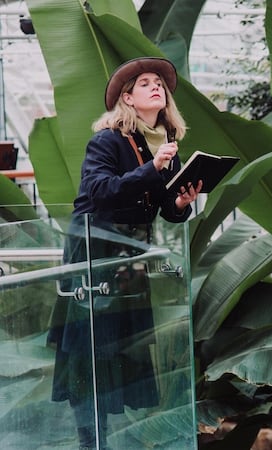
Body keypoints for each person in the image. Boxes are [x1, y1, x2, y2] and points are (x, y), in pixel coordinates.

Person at [46, 57, 202, 450]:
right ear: (128, 99)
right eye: (145, 83)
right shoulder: (107, 140)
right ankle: (88, 440)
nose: (157, 87)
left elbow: (164, 208)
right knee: (88, 350)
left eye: (159, 84)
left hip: (130, 258)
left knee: (122, 348)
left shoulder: (167, 146)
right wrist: (153, 168)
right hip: (93, 254)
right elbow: (99, 191)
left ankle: (107, 438)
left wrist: (182, 202)